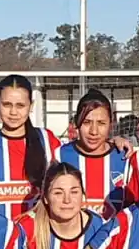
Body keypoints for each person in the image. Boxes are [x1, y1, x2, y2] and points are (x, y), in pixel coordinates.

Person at [0, 75, 61, 221]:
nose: (13, 112)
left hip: (38, 236)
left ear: (31, 105)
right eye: (7, 104)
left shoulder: (47, 140)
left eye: (20, 105)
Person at [51, 89, 130, 219]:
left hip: (113, 238)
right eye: (87, 122)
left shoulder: (123, 157)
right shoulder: (59, 156)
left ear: (111, 124)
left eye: (101, 123)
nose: (94, 131)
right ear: (76, 122)